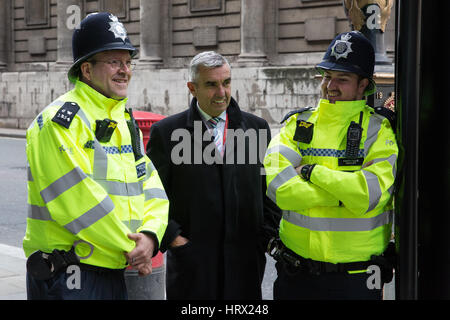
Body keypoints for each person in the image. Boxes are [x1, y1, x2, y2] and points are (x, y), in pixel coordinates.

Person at [23, 12, 168, 300]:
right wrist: (132, 248)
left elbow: (151, 185)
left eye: (128, 62)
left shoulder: (124, 119)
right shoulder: (58, 121)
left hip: (111, 267)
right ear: (87, 70)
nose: (124, 70)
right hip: (70, 273)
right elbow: (77, 200)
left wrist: (150, 236)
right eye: (114, 61)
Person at [263, 31, 398, 300]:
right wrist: (345, 195)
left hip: (356, 279)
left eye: (342, 79)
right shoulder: (297, 124)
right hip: (296, 275)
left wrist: (313, 172)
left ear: (363, 85)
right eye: (327, 76)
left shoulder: (379, 131)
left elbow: (370, 194)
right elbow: (281, 191)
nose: (330, 86)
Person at [147, 51, 281, 299]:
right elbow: (152, 195)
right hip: (194, 267)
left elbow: (270, 191)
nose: (221, 93)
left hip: (245, 265)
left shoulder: (257, 128)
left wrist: (264, 237)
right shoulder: (165, 133)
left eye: (226, 82)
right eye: (211, 84)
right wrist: (175, 239)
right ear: (192, 88)